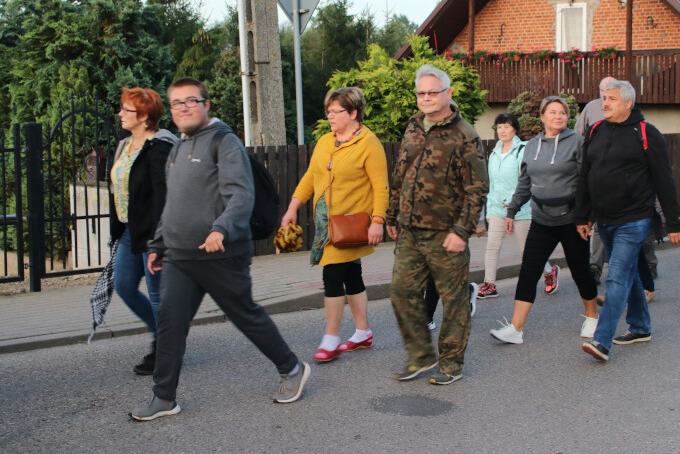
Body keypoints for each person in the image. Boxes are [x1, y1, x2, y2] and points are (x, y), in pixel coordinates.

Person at [129, 78, 309, 421]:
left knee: (245, 316)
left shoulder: (223, 142)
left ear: (206, 104)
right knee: (170, 323)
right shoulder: (179, 147)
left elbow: (240, 194)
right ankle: (163, 397)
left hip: (221, 253)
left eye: (191, 101)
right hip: (180, 256)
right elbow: (172, 205)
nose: (183, 108)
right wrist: (159, 243)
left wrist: (221, 229)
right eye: (177, 103)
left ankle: (292, 367)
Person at [386, 65, 488, 385]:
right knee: (401, 291)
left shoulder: (465, 135)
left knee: (453, 301)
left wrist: (462, 231)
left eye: (433, 92)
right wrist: (392, 215)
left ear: (448, 93)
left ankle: (451, 364)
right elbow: (400, 174)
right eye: (421, 93)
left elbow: (477, 189)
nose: (426, 98)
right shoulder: (413, 126)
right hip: (409, 230)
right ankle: (421, 356)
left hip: (446, 233)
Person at [576, 80, 680, 362]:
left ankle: (601, 341)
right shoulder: (596, 130)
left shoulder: (647, 133)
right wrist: (583, 216)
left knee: (617, 276)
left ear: (628, 103)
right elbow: (586, 175)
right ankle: (640, 327)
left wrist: (674, 223)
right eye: (604, 98)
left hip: (634, 219)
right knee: (630, 273)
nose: (605, 103)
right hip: (605, 219)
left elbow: (664, 180)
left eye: (611, 98)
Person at [281, 87, 389, 361]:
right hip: (326, 224)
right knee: (352, 275)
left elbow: (381, 186)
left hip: (349, 225)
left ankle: (330, 338)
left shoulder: (369, 143)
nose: (329, 116)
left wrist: (378, 220)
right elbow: (310, 176)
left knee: (332, 276)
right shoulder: (325, 142)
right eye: (327, 111)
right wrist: (293, 206)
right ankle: (363, 332)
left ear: (353, 113)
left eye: (335, 111)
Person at [489, 96, 599, 345]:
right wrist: (512, 211)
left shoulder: (577, 142)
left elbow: (587, 181)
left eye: (562, 113)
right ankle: (516, 328)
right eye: (553, 112)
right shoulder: (531, 146)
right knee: (529, 270)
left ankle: (592, 317)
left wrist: (587, 217)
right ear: (542, 116)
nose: (558, 116)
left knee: (580, 270)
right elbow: (524, 183)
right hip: (541, 220)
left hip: (572, 221)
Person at [109, 87, 177, 375]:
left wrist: (159, 242)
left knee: (157, 294)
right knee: (123, 285)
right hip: (128, 230)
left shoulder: (160, 147)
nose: (120, 114)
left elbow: (164, 196)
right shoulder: (125, 145)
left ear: (144, 115)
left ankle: (165, 350)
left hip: (152, 233)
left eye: (126, 109)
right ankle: (165, 336)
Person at [475, 112, 559, 300]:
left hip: (522, 209)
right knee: (492, 246)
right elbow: (492, 184)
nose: (502, 130)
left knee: (528, 251)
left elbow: (526, 181)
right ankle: (489, 284)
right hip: (498, 210)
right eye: (499, 127)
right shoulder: (494, 152)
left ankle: (549, 272)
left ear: (515, 129)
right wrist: (489, 209)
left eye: (506, 126)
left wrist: (512, 201)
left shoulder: (522, 151)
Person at [575, 76, 615, 284]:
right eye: (602, 91)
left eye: (610, 90)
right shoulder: (591, 108)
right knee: (598, 224)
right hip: (594, 173)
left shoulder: (623, 110)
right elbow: (578, 135)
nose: (605, 95)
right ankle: (595, 267)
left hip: (617, 179)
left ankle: (646, 265)